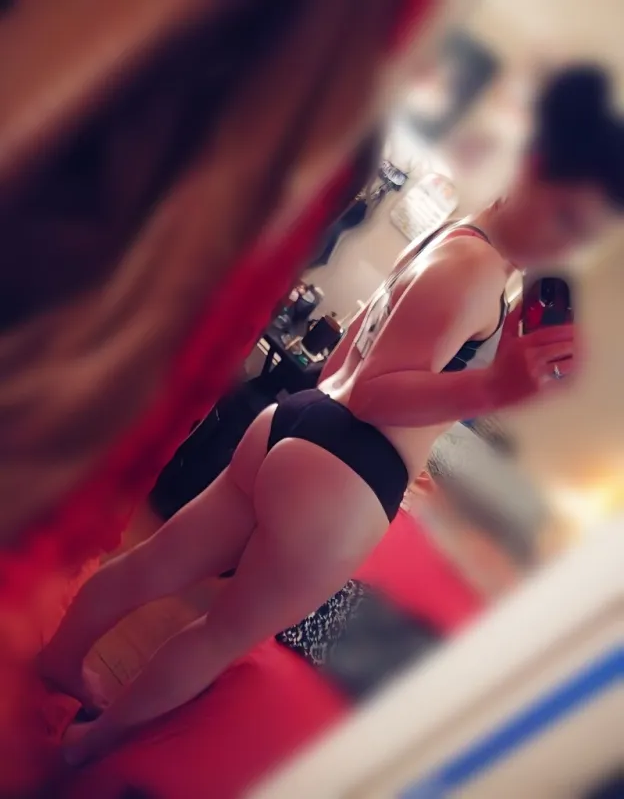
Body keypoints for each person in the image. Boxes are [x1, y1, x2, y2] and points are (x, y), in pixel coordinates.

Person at [41, 65, 624, 766]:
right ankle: (88, 746)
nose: (563, 247)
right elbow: (378, 394)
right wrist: (494, 390)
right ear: (532, 170)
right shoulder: (475, 274)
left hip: (302, 422)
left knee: (155, 564)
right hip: (347, 472)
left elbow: (349, 357)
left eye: (582, 237)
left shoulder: (456, 239)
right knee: (223, 634)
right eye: (566, 219)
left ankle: (61, 657)